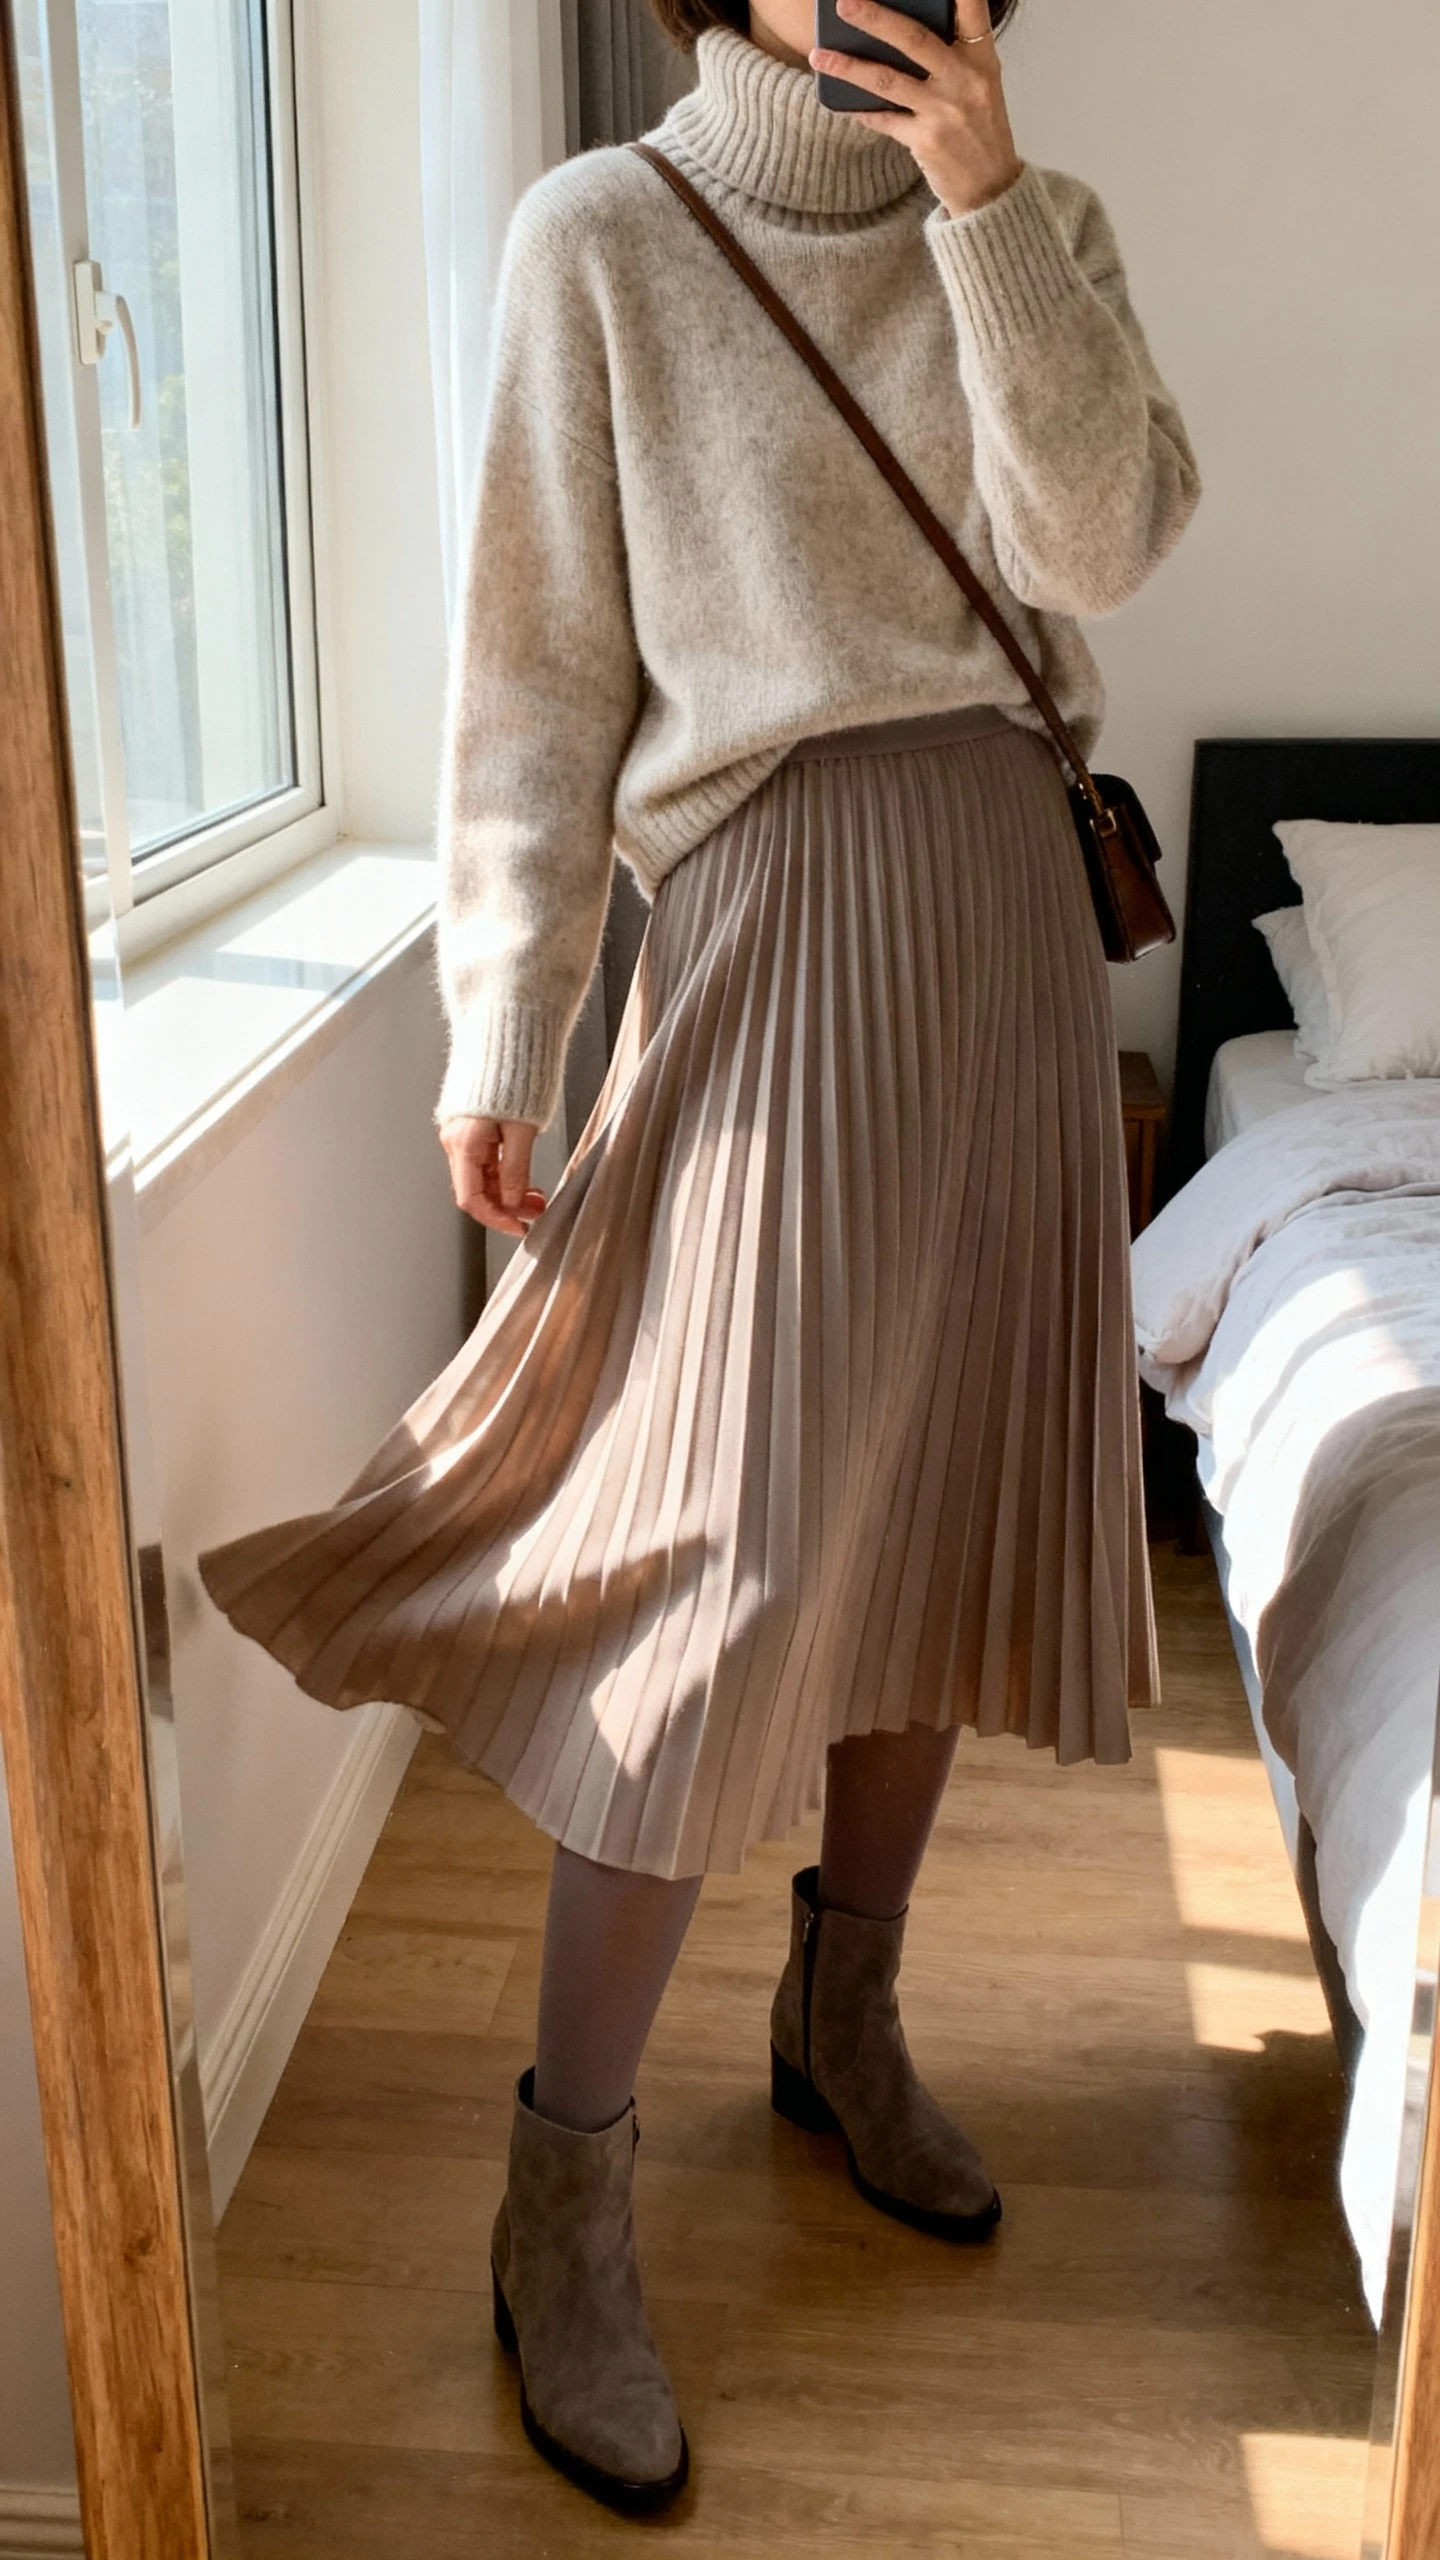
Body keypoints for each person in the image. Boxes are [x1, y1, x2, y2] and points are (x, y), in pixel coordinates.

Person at [200, 0, 1199, 2513]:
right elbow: (531, 679)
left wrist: (985, 206)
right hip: (765, 930)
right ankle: (565, 2177)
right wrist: (505, 1023)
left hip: (999, 925)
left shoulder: (1042, 227)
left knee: (944, 1517)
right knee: (725, 1565)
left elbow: (1100, 550)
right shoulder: (603, 238)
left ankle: (844, 2019)